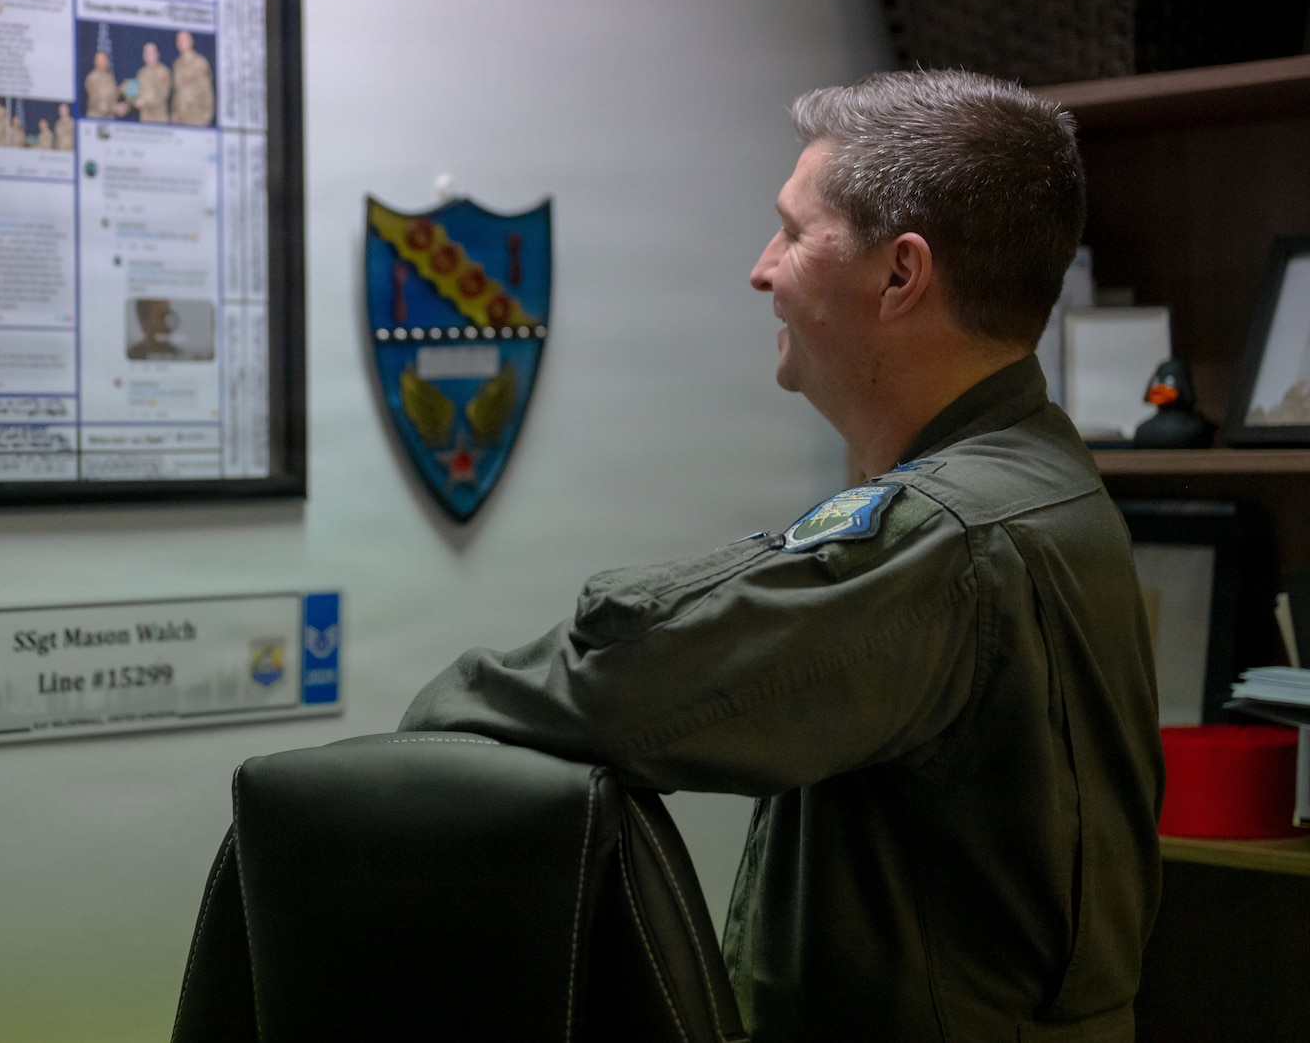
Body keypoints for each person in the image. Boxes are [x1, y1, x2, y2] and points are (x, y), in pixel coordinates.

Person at [400, 70, 1161, 1042]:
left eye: (794, 233)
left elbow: (623, 681)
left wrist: (434, 715)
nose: (761, 269)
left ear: (899, 275)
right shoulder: (1038, 475)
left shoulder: (946, 535)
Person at [171, 29, 214, 126]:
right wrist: (174, 114)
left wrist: (207, 116)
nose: (182, 43)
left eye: (185, 40)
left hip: (197, 116)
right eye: (180, 40)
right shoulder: (177, 64)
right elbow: (176, 91)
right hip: (180, 117)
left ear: (191, 41)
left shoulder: (200, 63)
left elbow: (207, 91)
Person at [131, 40, 171, 123]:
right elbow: (134, 93)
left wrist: (145, 102)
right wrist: (130, 99)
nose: (149, 55)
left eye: (152, 53)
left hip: (159, 118)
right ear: (144, 56)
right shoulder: (141, 73)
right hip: (145, 118)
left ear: (157, 54)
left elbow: (163, 95)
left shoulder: (163, 72)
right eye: (147, 53)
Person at [84, 52, 126, 119]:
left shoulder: (110, 77)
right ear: (96, 62)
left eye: (105, 59)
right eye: (101, 59)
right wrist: (114, 108)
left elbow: (112, 94)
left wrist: (121, 89)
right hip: (96, 118)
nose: (104, 61)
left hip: (109, 118)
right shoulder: (92, 79)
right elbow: (97, 100)